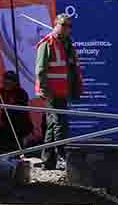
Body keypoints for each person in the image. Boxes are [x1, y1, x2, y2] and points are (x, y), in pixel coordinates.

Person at [34, 11, 84, 170]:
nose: (66, 28)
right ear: (56, 25)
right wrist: (43, 89)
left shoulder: (67, 44)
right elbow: (40, 69)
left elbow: (71, 67)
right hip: (51, 92)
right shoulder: (47, 43)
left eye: (69, 26)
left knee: (52, 125)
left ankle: (48, 160)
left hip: (63, 91)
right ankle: (61, 154)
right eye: (63, 25)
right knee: (60, 124)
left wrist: (76, 86)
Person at [0, 70, 40, 157]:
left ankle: (21, 149)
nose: (6, 84)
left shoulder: (21, 93)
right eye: (4, 81)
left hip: (20, 125)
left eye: (9, 81)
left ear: (14, 82)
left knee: (16, 139)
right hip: (6, 123)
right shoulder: (1, 92)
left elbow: (21, 111)